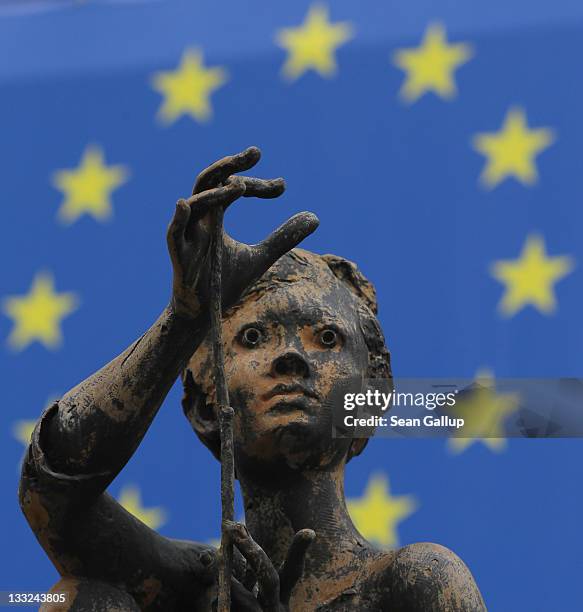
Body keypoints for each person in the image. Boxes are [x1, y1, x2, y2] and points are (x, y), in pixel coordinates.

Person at [19, 148, 486, 611]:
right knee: (80, 601)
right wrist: (185, 320)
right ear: (205, 407)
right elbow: (53, 491)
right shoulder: (191, 589)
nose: (290, 356)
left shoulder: (413, 584)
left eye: (326, 337)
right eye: (253, 336)